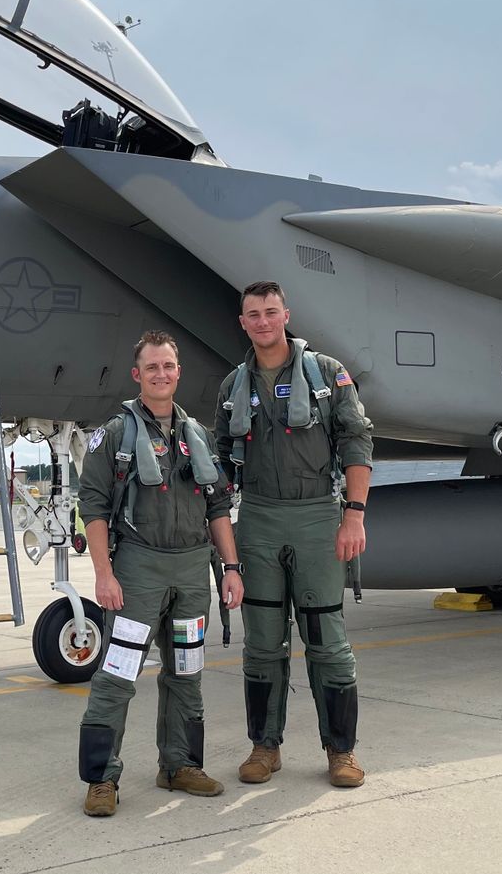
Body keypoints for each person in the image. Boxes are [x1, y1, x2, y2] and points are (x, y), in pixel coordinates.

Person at [214, 281, 374, 788]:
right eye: (253, 314)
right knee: (261, 643)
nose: (262, 321)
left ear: (286, 315)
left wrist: (354, 515)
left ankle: (341, 752)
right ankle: (265, 747)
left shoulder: (327, 374)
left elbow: (356, 440)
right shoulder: (232, 386)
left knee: (328, 641)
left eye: (270, 312)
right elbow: (219, 464)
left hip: (315, 518)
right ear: (243, 323)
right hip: (258, 519)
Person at [77, 330, 243, 817]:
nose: (162, 374)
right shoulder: (113, 436)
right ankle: (101, 780)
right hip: (139, 571)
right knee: (118, 675)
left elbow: (218, 507)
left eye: (168, 366)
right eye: (152, 367)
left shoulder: (198, 437)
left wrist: (230, 568)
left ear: (178, 371)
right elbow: (93, 508)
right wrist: (104, 575)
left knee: (186, 673)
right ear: (138, 374)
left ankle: (181, 765)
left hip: (193, 574)